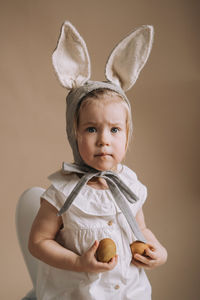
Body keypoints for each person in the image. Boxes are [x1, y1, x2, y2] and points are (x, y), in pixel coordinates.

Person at [28, 22, 167, 300]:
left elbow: (141, 229)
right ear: (73, 133)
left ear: (127, 137)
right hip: (80, 294)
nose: (104, 140)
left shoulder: (130, 185)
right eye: (91, 129)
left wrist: (158, 251)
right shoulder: (62, 192)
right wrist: (79, 263)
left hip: (131, 293)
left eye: (115, 130)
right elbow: (38, 242)